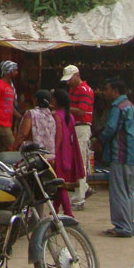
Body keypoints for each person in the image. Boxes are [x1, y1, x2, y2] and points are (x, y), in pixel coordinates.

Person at [97, 77, 134, 238]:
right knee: (128, 191)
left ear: (115, 91)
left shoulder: (118, 107)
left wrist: (99, 140)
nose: (105, 92)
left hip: (122, 154)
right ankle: (128, 224)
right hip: (133, 154)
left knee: (119, 191)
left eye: (107, 89)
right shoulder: (129, 105)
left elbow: (110, 129)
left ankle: (123, 227)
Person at [62, 64, 94, 209]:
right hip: (75, 128)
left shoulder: (84, 90)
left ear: (77, 75)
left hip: (82, 127)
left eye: (70, 79)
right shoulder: (73, 89)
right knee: (77, 162)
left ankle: (79, 198)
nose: (68, 82)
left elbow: (81, 111)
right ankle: (84, 188)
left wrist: (64, 108)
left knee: (80, 162)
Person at [50, 89, 85, 217]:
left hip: (59, 152)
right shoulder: (70, 116)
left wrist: (53, 153)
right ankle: (54, 209)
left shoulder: (56, 116)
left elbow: (59, 136)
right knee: (61, 184)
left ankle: (69, 213)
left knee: (60, 185)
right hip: (68, 152)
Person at [0, 60, 19, 154]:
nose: (16, 72)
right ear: (9, 72)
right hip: (0, 123)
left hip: (6, 123)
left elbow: (10, 106)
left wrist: (20, 116)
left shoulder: (9, 87)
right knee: (13, 147)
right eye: (15, 70)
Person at [12, 89, 56, 154]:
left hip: (32, 153)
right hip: (48, 153)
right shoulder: (51, 117)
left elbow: (24, 133)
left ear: (36, 100)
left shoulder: (31, 114)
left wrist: (13, 147)